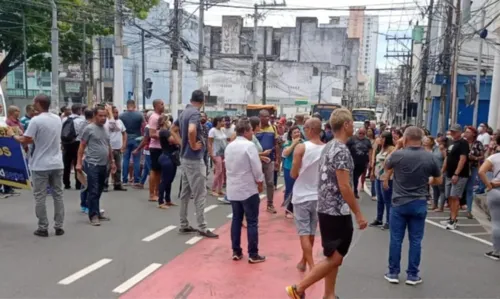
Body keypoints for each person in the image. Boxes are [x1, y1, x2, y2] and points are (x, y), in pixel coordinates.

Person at [286, 108, 368, 299]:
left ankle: (329, 294)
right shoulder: (339, 150)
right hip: (336, 210)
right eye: (352, 124)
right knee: (337, 257)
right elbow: (345, 186)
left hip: (325, 207)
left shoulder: (329, 146)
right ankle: (298, 289)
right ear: (346, 125)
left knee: (332, 255)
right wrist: (359, 214)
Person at [383, 126, 442, 285]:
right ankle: (413, 275)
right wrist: (428, 180)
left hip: (399, 202)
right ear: (422, 139)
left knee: (396, 239)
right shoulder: (429, 157)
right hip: (419, 201)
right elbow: (439, 180)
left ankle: (393, 272)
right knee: (416, 240)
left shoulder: (398, 155)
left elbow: (386, 166)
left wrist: (398, 146)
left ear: (406, 138)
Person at [13, 94, 65, 237]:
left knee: (40, 196)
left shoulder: (36, 120)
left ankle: (43, 227)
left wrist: (15, 137)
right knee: (58, 195)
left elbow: (27, 139)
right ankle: (59, 226)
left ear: (38, 104)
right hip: (57, 162)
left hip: (40, 164)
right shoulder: (57, 119)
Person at [172, 90, 218, 238]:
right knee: (200, 194)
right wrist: (191, 144)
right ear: (202, 101)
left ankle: (184, 223)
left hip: (185, 157)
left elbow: (173, 129)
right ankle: (202, 226)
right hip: (194, 157)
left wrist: (183, 143)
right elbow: (192, 129)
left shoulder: (184, 112)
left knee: (186, 192)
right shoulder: (194, 114)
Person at [225, 120, 265, 263]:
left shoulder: (229, 146)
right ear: (247, 131)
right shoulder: (249, 146)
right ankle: (253, 254)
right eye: (251, 131)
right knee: (252, 221)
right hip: (248, 188)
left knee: (236, 219)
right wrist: (260, 182)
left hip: (233, 188)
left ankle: (236, 251)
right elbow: (256, 167)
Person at [290, 118, 325, 272]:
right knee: (311, 231)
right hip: (318, 195)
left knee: (304, 233)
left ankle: (311, 266)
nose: (303, 130)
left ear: (310, 129)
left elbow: (293, 173)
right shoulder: (326, 148)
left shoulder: (301, 148)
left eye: (304, 127)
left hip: (302, 195)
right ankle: (304, 261)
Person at [76, 105, 115, 226]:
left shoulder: (106, 128)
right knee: (93, 190)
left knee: (99, 190)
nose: (103, 118)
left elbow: (108, 146)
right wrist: (79, 163)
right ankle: (93, 215)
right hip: (92, 163)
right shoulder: (89, 129)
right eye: (100, 116)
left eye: (105, 116)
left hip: (104, 164)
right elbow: (82, 146)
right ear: (94, 116)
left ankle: (96, 211)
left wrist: (112, 161)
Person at [441, 124, 469, 230]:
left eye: (455, 132)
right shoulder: (452, 143)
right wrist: (442, 171)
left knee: (455, 196)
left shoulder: (463, 143)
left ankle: (454, 220)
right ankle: (451, 218)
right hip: (449, 173)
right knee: (450, 196)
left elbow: (463, 159)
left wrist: (456, 173)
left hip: (459, 175)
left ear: (460, 132)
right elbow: (447, 158)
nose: (452, 133)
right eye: (451, 131)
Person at [478, 134, 500, 261]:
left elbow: (481, 171)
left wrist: (488, 184)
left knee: (497, 222)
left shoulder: (494, 157)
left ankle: (497, 251)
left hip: (495, 190)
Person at [256, 109, 281, 214]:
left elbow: (276, 144)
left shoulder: (273, 128)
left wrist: (277, 159)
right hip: (256, 160)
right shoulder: (254, 128)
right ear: (259, 117)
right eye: (264, 116)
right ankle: (253, 204)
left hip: (269, 160)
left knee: (270, 182)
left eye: (268, 116)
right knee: (255, 182)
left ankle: (270, 204)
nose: (267, 118)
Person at [369, 131, 395, 230]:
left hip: (386, 177)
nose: (380, 139)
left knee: (387, 200)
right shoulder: (380, 148)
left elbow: (391, 164)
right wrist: (372, 172)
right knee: (380, 199)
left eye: (382, 138)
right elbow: (375, 161)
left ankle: (389, 221)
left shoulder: (391, 149)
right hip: (378, 176)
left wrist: (387, 177)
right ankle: (379, 219)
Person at [158, 115, 181, 209]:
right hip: (166, 157)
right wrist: (175, 133)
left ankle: (168, 199)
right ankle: (160, 201)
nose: (170, 122)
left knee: (170, 180)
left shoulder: (169, 131)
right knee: (165, 180)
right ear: (164, 122)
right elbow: (175, 141)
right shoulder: (164, 132)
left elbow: (178, 139)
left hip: (172, 157)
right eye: (168, 121)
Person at [120, 100, 145, 186]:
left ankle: (124, 180)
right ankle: (136, 180)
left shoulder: (122, 116)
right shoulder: (139, 115)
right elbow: (144, 126)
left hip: (126, 139)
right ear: (134, 105)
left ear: (127, 106)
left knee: (125, 159)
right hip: (137, 139)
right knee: (136, 160)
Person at [104, 105, 127, 192]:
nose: (116, 114)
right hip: (109, 148)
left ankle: (117, 184)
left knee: (118, 167)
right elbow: (112, 127)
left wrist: (124, 144)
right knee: (107, 167)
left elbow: (124, 133)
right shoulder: (106, 122)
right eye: (114, 112)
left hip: (118, 148)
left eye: (117, 112)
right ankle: (104, 185)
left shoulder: (120, 121)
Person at [282, 126, 303, 218]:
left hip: (301, 169)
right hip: (289, 168)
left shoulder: (304, 143)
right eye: (295, 132)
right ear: (291, 135)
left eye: (298, 132)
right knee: (290, 189)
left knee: (299, 189)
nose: (297, 134)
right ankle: (288, 210)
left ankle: (298, 209)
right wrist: (293, 144)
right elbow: (285, 153)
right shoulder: (288, 143)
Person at [346, 127, 373, 198]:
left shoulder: (367, 141)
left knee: (357, 177)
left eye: (363, 133)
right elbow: (346, 148)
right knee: (354, 177)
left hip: (363, 162)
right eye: (360, 133)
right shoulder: (352, 139)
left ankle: (354, 190)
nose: (361, 135)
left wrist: (370, 161)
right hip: (353, 162)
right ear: (357, 132)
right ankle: (354, 191)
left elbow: (370, 151)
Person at [464, 126, 484, 218]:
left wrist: (475, 158)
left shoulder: (478, 144)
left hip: (473, 167)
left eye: (468, 132)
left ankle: (469, 210)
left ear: (474, 134)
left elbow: (482, 156)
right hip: (462, 168)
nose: (466, 133)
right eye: (466, 132)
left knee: (469, 188)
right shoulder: (462, 142)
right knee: (459, 188)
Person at [147, 99, 165, 201]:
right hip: (155, 147)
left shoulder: (161, 117)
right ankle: (151, 194)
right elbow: (152, 134)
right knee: (154, 170)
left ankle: (157, 192)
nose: (163, 106)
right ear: (156, 106)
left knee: (159, 171)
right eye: (161, 104)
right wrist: (164, 135)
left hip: (161, 147)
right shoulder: (154, 117)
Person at [208, 116, 227, 197]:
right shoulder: (212, 131)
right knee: (218, 171)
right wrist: (211, 154)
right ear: (218, 122)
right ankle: (213, 189)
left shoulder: (222, 130)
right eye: (222, 121)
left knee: (222, 172)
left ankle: (219, 189)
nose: (224, 123)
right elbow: (209, 143)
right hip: (216, 153)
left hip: (223, 153)